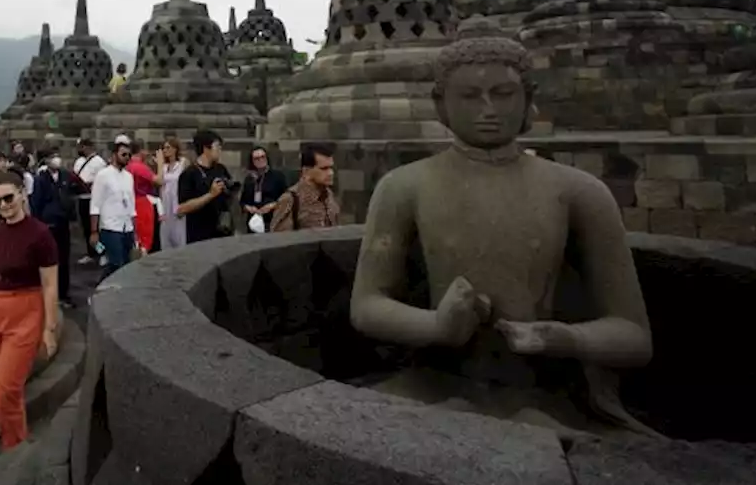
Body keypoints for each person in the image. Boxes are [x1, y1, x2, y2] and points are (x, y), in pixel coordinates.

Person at [349, 34, 653, 437]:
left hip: (545, 393)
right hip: (436, 382)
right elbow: (367, 304)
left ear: (529, 98)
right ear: (441, 104)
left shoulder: (579, 191)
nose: (488, 110)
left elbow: (634, 336)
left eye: (504, 93)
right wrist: (436, 327)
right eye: (469, 96)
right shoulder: (404, 186)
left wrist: (565, 338)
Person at [0, 171, 60, 450]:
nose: (4, 205)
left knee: (1, 396)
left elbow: (50, 285)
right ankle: (16, 448)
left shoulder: (40, 234)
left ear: (22, 194)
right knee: (5, 391)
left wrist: (49, 329)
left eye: (8, 197)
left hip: (25, 311)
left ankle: (14, 448)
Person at [30, 149, 76, 309]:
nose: (56, 160)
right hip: (48, 225)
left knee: (64, 259)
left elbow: (73, 192)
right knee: (49, 260)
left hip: (63, 223)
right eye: (52, 157)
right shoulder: (41, 179)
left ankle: (64, 293)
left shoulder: (65, 176)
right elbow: (36, 203)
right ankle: (49, 294)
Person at [88, 139, 135, 280]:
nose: (126, 158)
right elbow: (95, 204)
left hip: (127, 227)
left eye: (128, 155)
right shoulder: (103, 175)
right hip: (110, 227)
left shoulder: (129, 177)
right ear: (114, 155)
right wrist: (94, 231)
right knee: (115, 263)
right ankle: (101, 289)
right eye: (123, 154)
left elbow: (132, 205)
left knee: (126, 264)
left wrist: (135, 231)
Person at [175, 130, 234, 244]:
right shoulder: (189, 174)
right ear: (206, 149)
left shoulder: (221, 169)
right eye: (217, 147)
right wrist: (210, 195)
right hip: (199, 236)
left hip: (222, 231)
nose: (219, 151)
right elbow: (182, 209)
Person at [270, 142, 340, 232]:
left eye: (331, 168)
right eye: (324, 169)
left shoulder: (329, 196)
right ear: (306, 171)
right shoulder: (290, 200)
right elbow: (280, 241)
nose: (330, 173)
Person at [71, 139, 108, 266]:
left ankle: (102, 253)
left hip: (94, 198)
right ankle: (91, 253)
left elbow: (102, 179)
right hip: (82, 197)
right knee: (86, 228)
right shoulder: (78, 162)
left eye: (82, 147)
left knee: (96, 228)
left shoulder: (99, 162)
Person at [240, 146, 290, 233]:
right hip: (254, 222)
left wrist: (272, 205)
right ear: (252, 161)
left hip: (272, 220)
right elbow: (243, 202)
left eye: (263, 157)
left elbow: (287, 198)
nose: (260, 160)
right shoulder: (249, 179)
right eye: (256, 158)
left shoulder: (277, 176)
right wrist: (249, 208)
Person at [126, 142, 162, 253]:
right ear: (140, 151)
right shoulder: (139, 167)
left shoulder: (127, 166)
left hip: (131, 203)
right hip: (142, 204)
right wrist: (160, 163)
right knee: (146, 240)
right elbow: (158, 181)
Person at [154, 136, 188, 250]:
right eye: (164, 148)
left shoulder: (182, 163)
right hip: (165, 205)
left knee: (179, 238)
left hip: (177, 204)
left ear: (175, 149)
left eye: (168, 147)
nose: (165, 150)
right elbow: (160, 183)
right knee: (165, 238)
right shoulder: (163, 167)